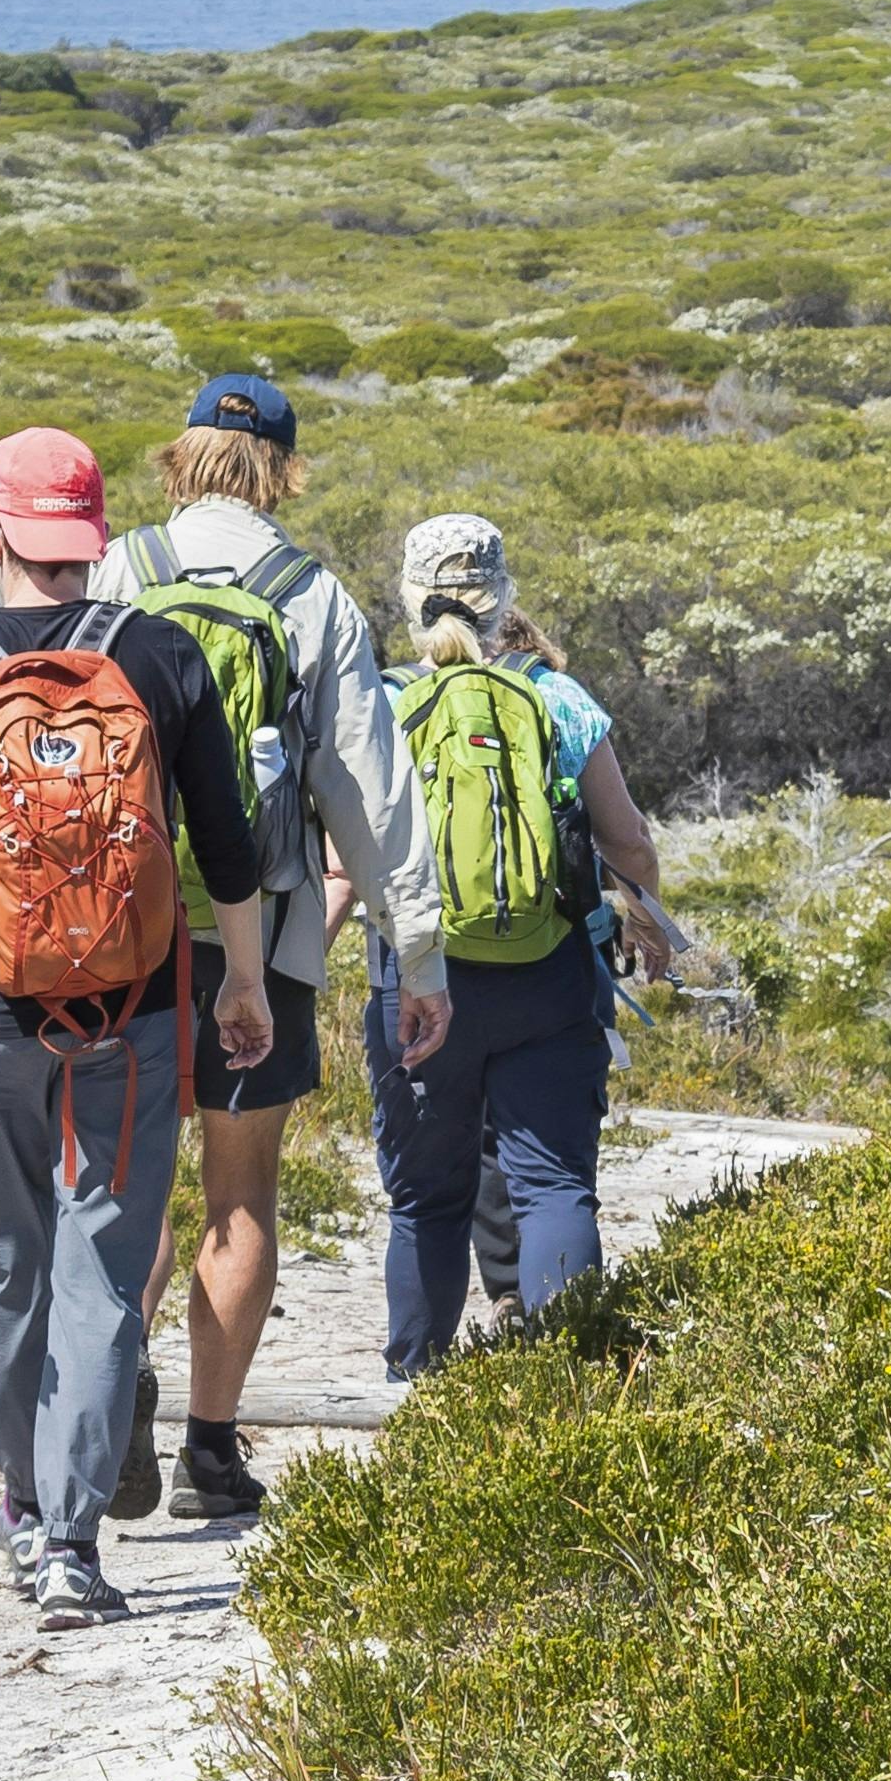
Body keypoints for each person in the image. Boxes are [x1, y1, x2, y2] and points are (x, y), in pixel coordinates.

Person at [0, 428, 274, 1632]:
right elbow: (225, 840)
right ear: (93, 537)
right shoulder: (160, 652)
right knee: (103, 1268)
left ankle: (24, 1502)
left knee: (6, 1255)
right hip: (132, 1011)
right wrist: (243, 979)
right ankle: (72, 1546)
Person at [89, 373, 454, 1523]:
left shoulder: (120, 572)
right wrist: (419, 952)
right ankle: (209, 1451)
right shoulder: (313, 596)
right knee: (239, 1197)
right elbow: (369, 790)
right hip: (269, 936)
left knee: (125, 1190)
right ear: (284, 468)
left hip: (121, 936)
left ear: (182, 453)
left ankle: (111, 1386)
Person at [363, 517, 670, 1376]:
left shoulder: (382, 702)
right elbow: (629, 840)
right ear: (504, 598)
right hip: (551, 978)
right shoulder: (557, 698)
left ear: (409, 597)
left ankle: (413, 1386)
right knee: (555, 1187)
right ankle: (563, 1386)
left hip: (418, 979)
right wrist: (648, 922)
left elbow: (345, 856)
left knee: (425, 1200)